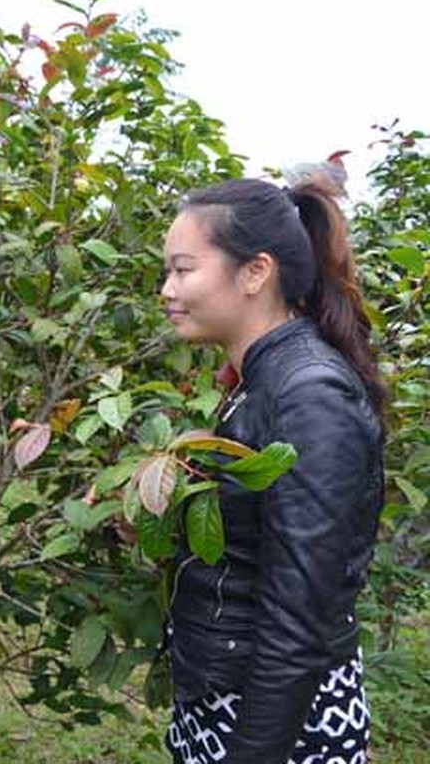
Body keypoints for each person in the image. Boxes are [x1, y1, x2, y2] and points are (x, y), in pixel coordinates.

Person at [159, 173, 385, 763]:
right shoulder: (257, 382)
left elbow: (298, 618)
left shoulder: (309, 397)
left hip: (283, 723)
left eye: (183, 270)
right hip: (232, 699)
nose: (167, 289)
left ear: (255, 272)